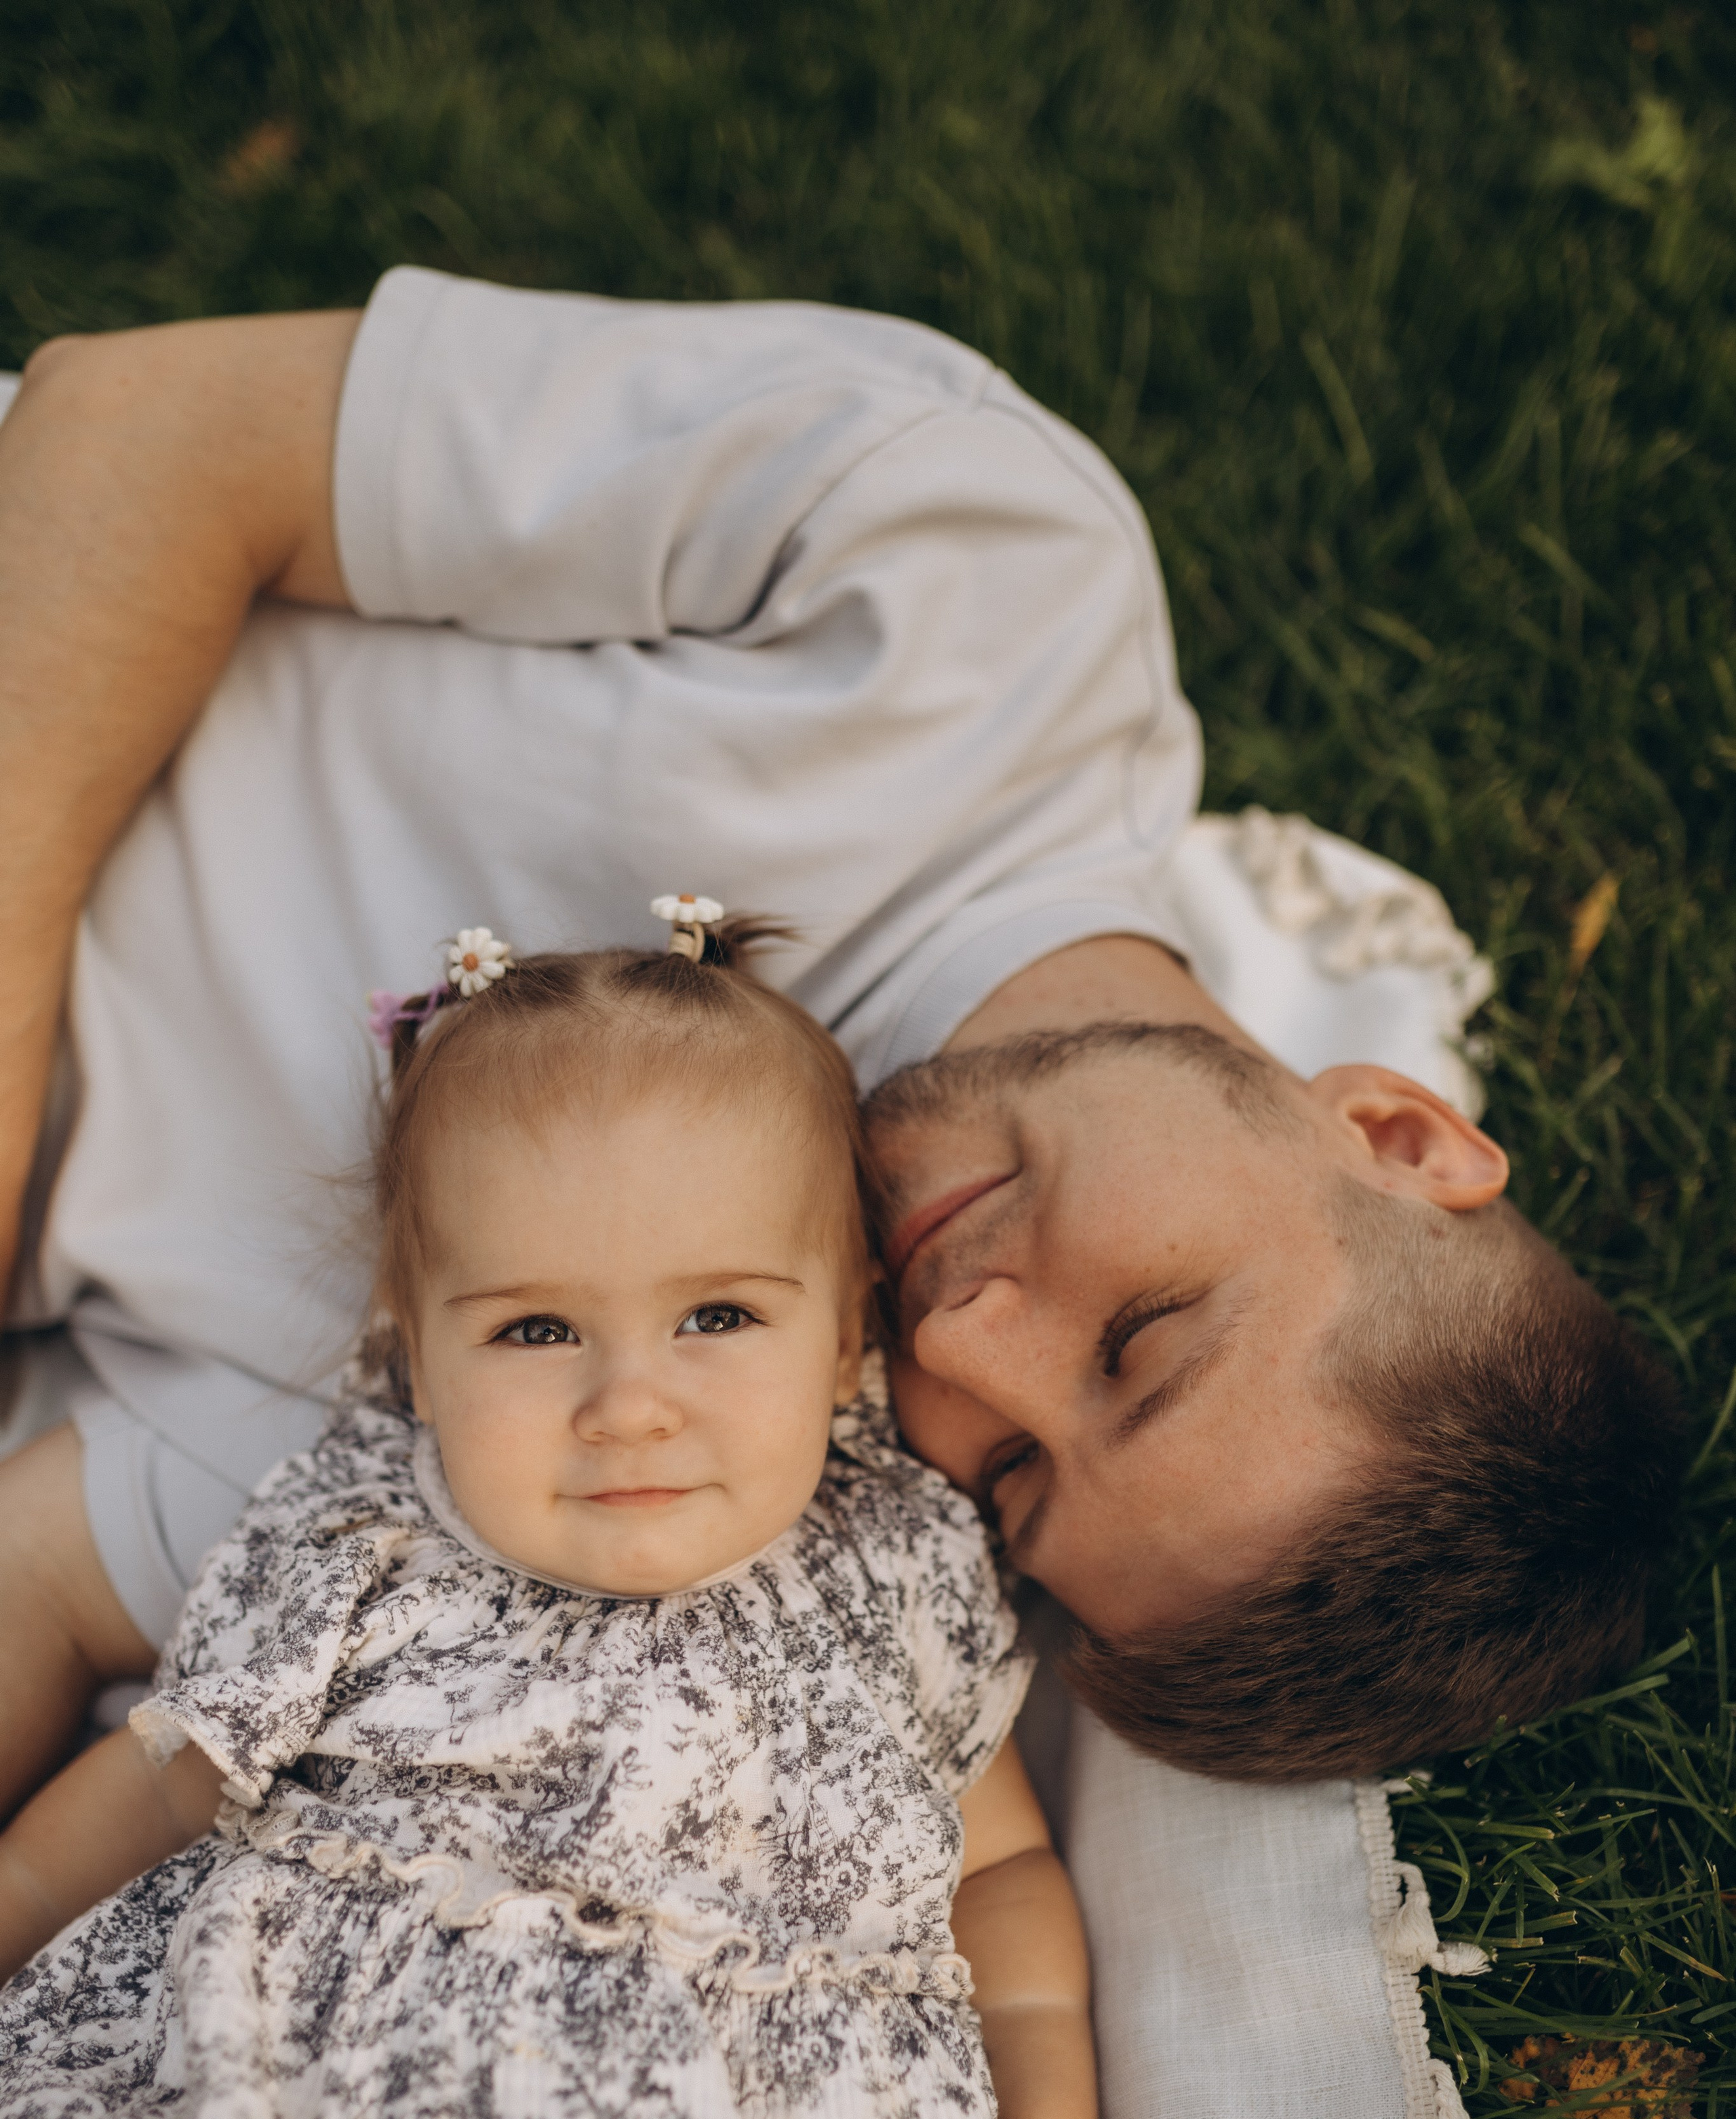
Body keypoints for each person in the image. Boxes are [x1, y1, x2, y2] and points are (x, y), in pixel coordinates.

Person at [0, 269, 1679, 1808]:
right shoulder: (980, 586)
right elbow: (137, 431)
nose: (958, 1352)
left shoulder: (635, 1422)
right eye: (1141, 1340)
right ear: (1391, 1131)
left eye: (1012, 1474)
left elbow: (51, 1572)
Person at [0, 920, 1098, 2119]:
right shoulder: (358, 1527)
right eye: (532, 1333)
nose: (629, 1404)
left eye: (720, 1313)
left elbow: (1002, 1870)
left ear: (849, 1332)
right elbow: (168, 1771)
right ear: (412, 1339)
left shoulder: (897, 1561)